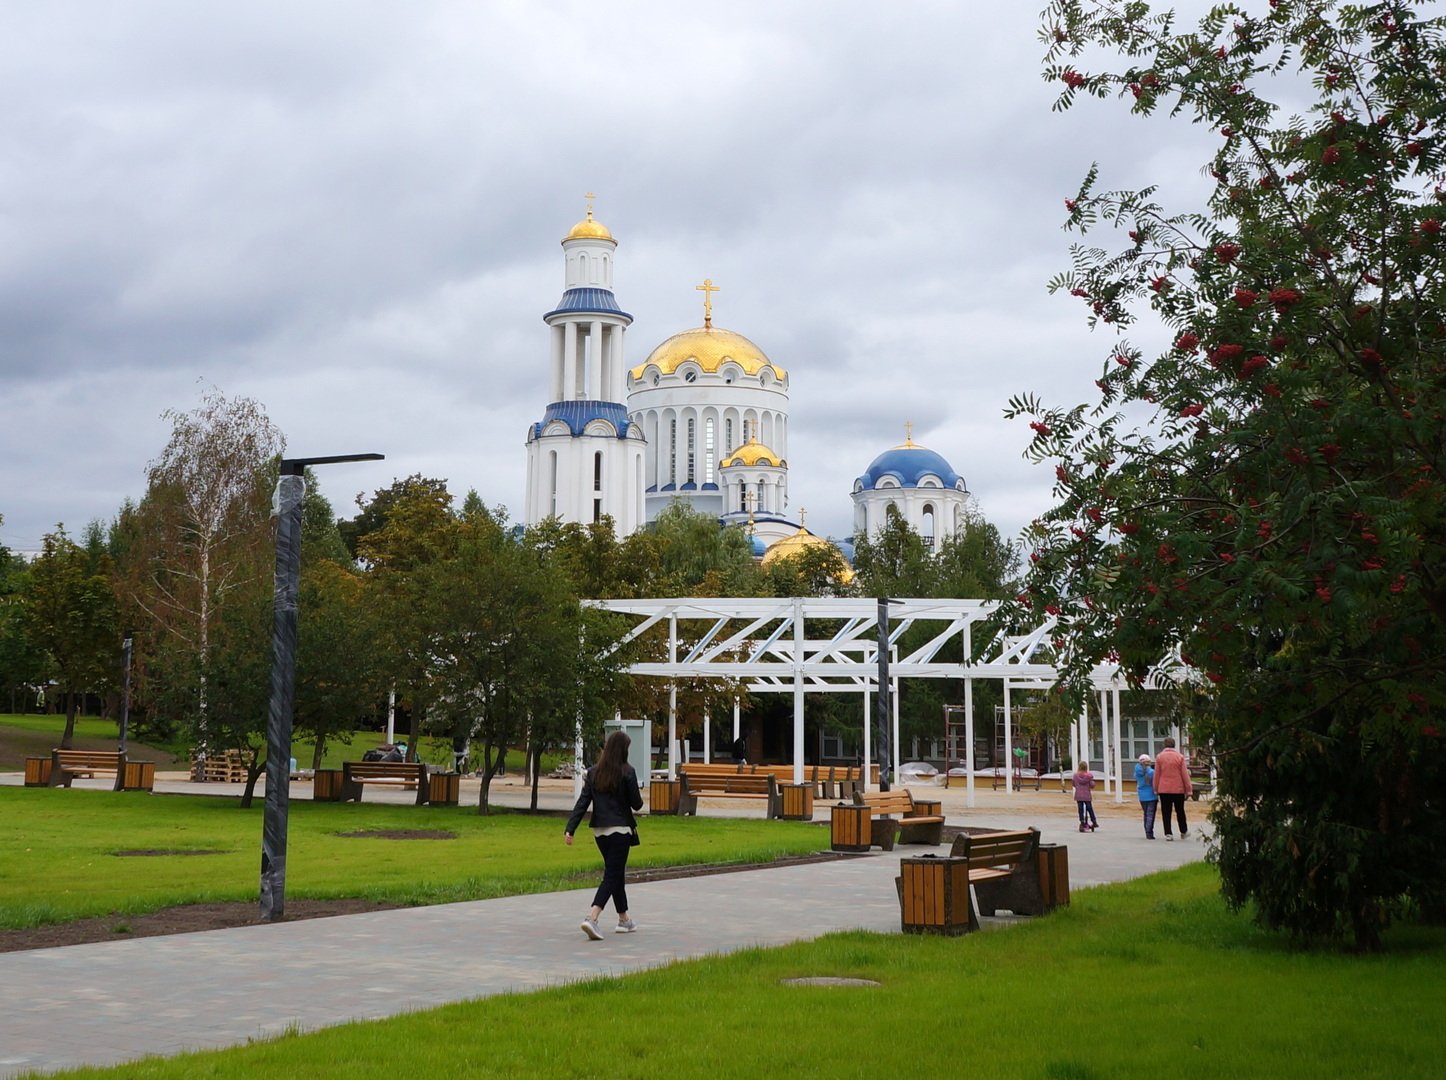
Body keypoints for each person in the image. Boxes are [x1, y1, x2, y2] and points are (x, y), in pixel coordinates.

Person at [564, 730, 644, 939]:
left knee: (615, 872)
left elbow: (583, 803)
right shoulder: (628, 771)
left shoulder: (593, 772)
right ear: (623, 750)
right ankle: (592, 917)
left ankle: (624, 919)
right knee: (612, 874)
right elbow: (637, 804)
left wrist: (570, 829)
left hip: (599, 832)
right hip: (621, 830)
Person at [1154, 736, 1191, 841]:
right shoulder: (1180, 757)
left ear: (1164, 745)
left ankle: (1168, 833)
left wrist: (1156, 788)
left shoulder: (1159, 757)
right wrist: (1188, 789)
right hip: (1178, 789)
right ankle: (1183, 831)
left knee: (1166, 811)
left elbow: (1157, 774)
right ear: (1174, 745)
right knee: (1180, 810)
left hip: (1164, 789)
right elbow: (1184, 775)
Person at [1134, 753, 1158, 840]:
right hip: (1152, 795)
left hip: (1142, 796)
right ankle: (1149, 832)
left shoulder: (1137, 771)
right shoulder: (1152, 772)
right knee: (1150, 814)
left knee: (1146, 813)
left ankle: (1146, 830)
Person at [1072, 760, 1099, 832]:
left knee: (1080, 809)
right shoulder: (1089, 776)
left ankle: (1082, 821)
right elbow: (1092, 785)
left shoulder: (1075, 776)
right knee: (1089, 808)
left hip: (1079, 795)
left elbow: (1073, 784)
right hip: (1087, 795)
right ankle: (1094, 821)